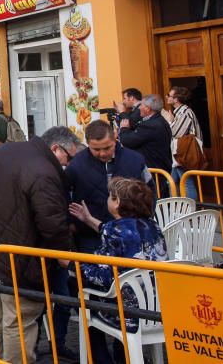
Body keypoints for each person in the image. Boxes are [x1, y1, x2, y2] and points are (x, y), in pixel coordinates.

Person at [0, 126, 80, 364]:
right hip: (17, 259)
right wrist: (64, 254)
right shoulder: (44, 172)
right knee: (18, 320)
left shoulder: (4, 152)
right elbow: (52, 223)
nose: (69, 163)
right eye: (70, 157)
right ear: (56, 149)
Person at [68, 177, 167, 364]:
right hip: (155, 306)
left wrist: (71, 265)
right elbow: (121, 234)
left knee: (83, 295)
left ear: (117, 203)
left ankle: (101, 358)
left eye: (110, 196)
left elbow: (104, 276)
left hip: (127, 311)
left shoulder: (113, 230)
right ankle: (126, 355)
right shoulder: (152, 225)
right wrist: (88, 219)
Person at [67, 120, 152, 254]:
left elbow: (150, 192)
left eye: (107, 148)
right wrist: (71, 223)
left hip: (131, 234)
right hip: (90, 237)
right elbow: (65, 194)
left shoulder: (135, 160)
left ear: (115, 137)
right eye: (96, 149)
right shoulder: (76, 164)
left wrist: (146, 218)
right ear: (87, 143)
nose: (102, 153)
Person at [164, 86, 204, 200]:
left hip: (184, 155)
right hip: (178, 155)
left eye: (169, 95)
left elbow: (175, 132)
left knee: (186, 183)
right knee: (172, 181)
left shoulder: (185, 112)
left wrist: (170, 121)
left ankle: (189, 211)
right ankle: (178, 210)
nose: (167, 97)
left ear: (176, 99)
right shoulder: (179, 112)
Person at [118, 94, 172, 176]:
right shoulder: (160, 120)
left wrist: (124, 128)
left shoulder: (150, 125)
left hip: (154, 170)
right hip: (161, 167)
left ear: (148, 108)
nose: (139, 108)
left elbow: (128, 141)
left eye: (141, 105)